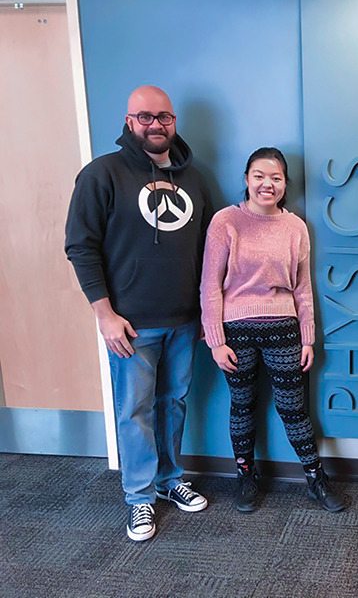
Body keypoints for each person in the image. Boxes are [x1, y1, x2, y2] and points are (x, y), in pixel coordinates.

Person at [65, 85, 212, 542]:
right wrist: (105, 315)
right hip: (130, 324)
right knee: (135, 411)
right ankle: (139, 498)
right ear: (129, 122)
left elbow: (213, 249)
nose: (155, 124)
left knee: (174, 403)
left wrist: (208, 313)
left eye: (164, 117)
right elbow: (80, 246)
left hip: (185, 320)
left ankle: (170, 481)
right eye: (144, 116)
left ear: (174, 122)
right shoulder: (101, 174)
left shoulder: (195, 178)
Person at [199, 147, 344, 514]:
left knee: (293, 408)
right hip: (236, 330)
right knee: (243, 405)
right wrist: (215, 340)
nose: (268, 183)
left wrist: (308, 337)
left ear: (285, 184)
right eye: (259, 176)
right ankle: (246, 475)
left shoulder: (295, 226)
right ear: (246, 179)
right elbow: (209, 286)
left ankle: (315, 477)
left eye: (276, 177)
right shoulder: (225, 222)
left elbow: (303, 288)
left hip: (284, 327)